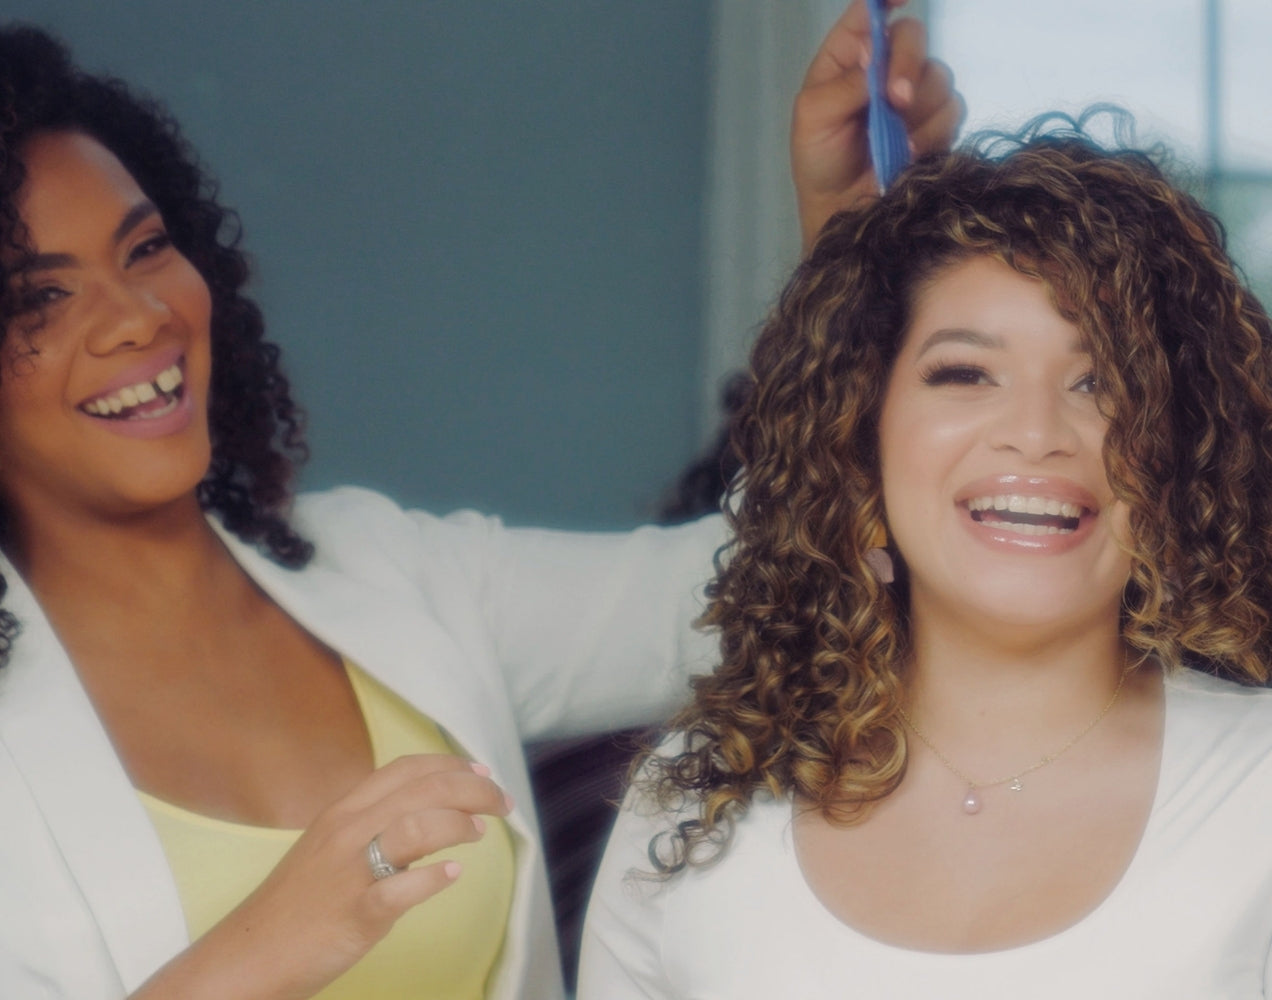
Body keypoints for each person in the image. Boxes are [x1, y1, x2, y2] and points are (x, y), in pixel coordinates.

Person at [0, 3, 961, 998]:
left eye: (146, 247)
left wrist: (847, 259)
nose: (137, 318)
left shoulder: (384, 566)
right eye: (38, 298)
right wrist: (261, 950)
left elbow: (745, 597)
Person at [579, 117, 1272, 999]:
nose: (1037, 435)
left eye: (1103, 384)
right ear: (858, 437)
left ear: (1180, 455)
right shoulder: (692, 805)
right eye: (966, 374)